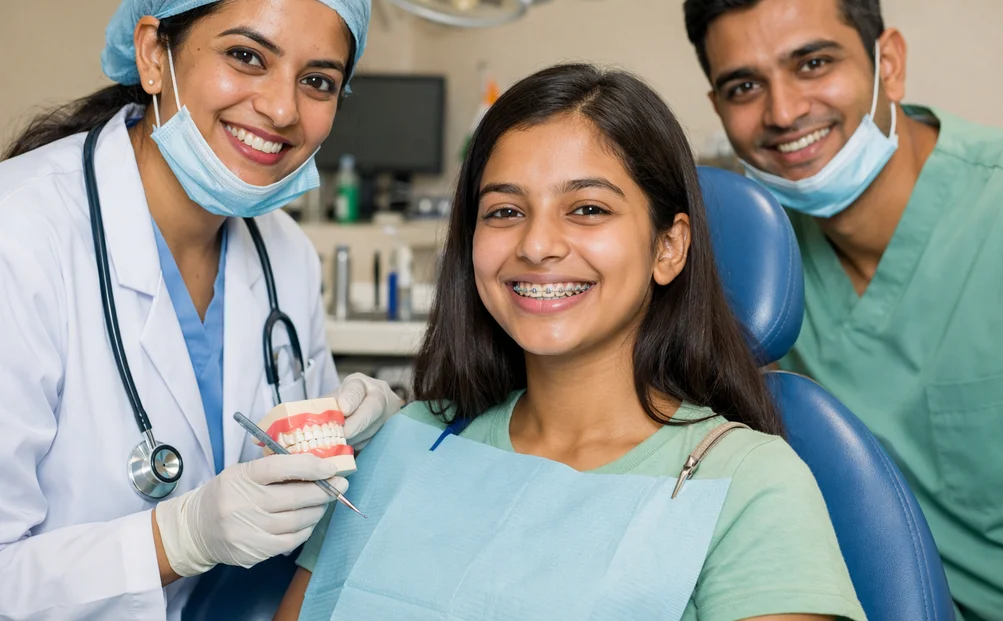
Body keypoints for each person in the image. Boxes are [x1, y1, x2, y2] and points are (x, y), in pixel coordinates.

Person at [274, 64, 867, 621]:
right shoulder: (408, 442)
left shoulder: (750, 484)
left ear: (669, 247)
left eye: (587, 208)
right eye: (504, 211)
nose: (536, 245)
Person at [0, 0, 403, 618]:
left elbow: (293, 498)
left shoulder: (285, 255)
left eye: (318, 81)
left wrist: (359, 436)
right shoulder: (22, 234)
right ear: (155, 54)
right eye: (246, 55)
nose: (281, 109)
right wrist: (176, 537)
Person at [683, 0, 1003, 620]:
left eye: (813, 63)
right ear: (718, 107)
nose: (782, 113)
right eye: (744, 86)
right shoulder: (755, 262)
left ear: (887, 63)